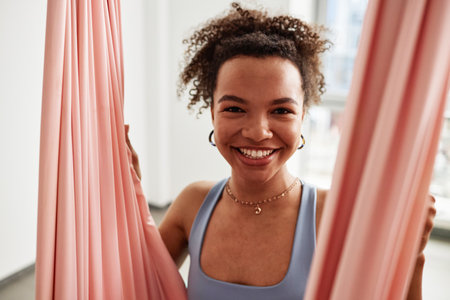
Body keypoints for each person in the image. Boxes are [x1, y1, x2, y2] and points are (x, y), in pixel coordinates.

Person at [127, 3, 436, 299]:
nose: (258, 132)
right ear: (212, 114)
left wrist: (413, 256)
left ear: (303, 116)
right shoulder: (192, 205)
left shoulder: (330, 214)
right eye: (235, 108)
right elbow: (134, 285)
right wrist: (127, 206)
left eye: (281, 111)